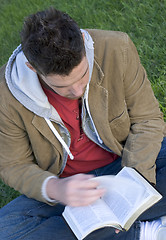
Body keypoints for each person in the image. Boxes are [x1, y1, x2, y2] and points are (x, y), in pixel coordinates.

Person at [0, 7, 166, 240]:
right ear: (32, 68)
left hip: (127, 162)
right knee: (5, 231)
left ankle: (105, 229)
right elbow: (13, 165)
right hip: (70, 189)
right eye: (62, 87)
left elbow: (147, 120)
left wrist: (134, 183)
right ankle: (145, 231)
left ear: (84, 42)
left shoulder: (117, 48)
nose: (77, 91)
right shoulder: (6, 94)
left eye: (83, 74)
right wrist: (56, 189)